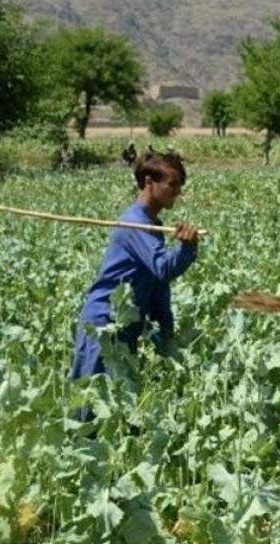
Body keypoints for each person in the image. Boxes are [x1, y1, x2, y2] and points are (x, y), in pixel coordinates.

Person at [70, 150, 200, 382]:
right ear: (149, 182)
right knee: (93, 405)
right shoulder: (134, 222)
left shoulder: (152, 224)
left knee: (119, 405)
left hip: (125, 325)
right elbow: (163, 267)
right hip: (104, 324)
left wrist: (166, 331)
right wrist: (187, 248)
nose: (179, 191)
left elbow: (159, 284)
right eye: (173, 184)